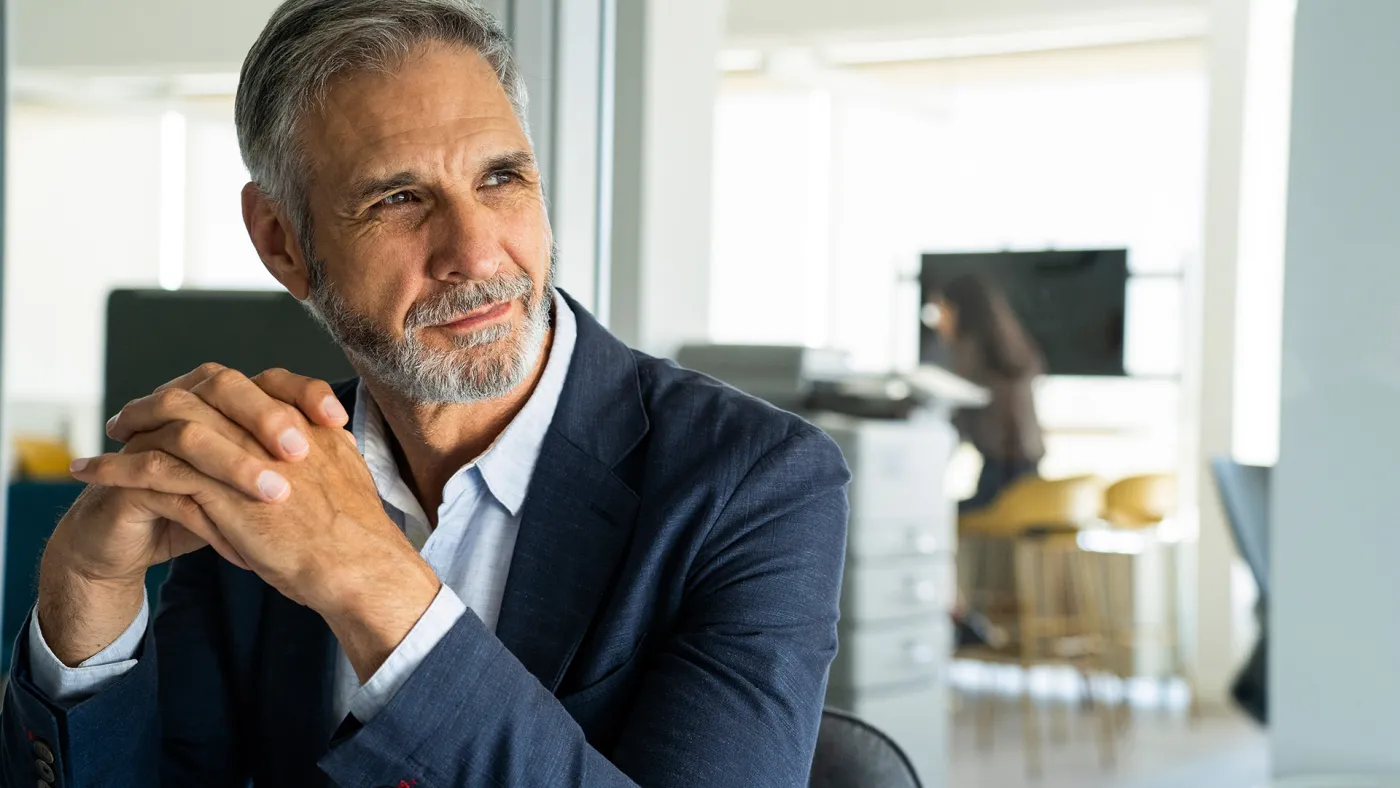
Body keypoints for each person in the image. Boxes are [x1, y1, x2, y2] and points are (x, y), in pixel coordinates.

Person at [0, 2, 850, 786]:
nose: (479, 254)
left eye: (501, 178)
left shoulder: (758, 481)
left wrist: (368, 578)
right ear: (283, 243)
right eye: (400, 198)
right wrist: (86, 597)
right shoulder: (266, 465)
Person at [934, 274, 1045, 511]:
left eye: (940, 310)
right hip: (1030, 481)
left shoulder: (971, 355)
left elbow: (955, 420)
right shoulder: (1013, 350)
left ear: (958, 311)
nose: (937, 321)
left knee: (936, 515)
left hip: (1001, 482)